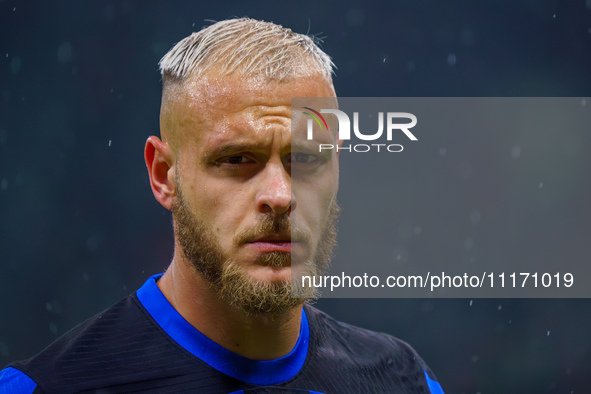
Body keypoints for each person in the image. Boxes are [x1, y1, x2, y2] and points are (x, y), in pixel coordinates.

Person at [0, 18, 444, 393]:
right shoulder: (45, 387)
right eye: (236, 160)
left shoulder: (404, 380)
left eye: (306, 159)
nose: (281, 196)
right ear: (163, 175)